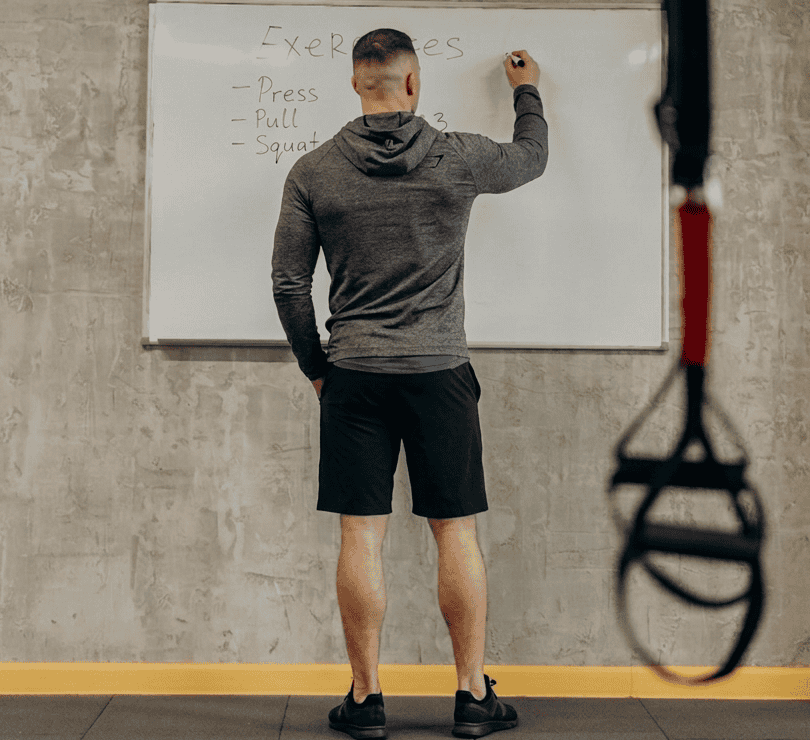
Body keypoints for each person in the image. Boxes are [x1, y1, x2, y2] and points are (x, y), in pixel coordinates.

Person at [272, 28, 546, 739]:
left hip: (355, 376)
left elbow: (288, 284)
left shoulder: (314, 170)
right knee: (455, 533)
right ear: (413, 84)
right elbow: (532, 158)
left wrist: (316, 368)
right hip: (439, 374)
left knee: (360, 538)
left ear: (358, 85)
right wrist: (526, 92)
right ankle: (470, 697)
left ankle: (366, 702)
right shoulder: (458, 158)